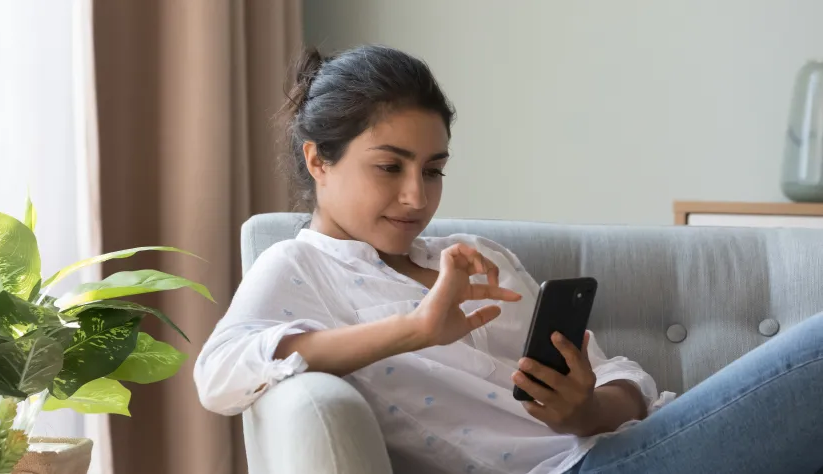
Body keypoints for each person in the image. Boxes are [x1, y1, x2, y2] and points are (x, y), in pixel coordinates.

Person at [194, 45, 823, 474]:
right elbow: (220, 373)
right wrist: (414, 330)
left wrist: (586, 407)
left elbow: (619, 375)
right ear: (318, 161)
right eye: (389, 167)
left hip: (624, 445)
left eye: (433, 170)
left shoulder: (475, 259)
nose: (417, 196)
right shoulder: (299, 267)